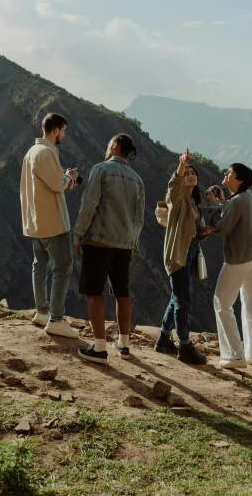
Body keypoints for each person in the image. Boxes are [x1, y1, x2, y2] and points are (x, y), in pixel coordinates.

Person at [74, 134, 145, 365]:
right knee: (122, 293)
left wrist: (79, 234)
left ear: (114, 146)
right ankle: (123, 345)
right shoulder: (137, 179)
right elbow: (139, 218)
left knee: (95, 292)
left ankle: (99, 347)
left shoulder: (101, 169)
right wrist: (133, 245)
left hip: (100, 241)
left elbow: (89, 204)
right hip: (124, 244)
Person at [20, 112, 80, 338]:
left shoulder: (31, 152)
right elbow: (57, 183)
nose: (63, 135)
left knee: (40, 265)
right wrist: (70, 178)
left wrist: (63, 178)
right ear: (55, 130)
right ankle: (56, 318)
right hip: (52, 222)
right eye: (63, 131)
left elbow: (45, 182)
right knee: (63, 268)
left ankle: (41, 311)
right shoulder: (47, 153)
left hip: (36, 220)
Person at [154, 149, 214, 365]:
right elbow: (174, 186)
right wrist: (182, 163)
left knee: (177, 297)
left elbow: (194, 233)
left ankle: (163, 338)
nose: (191, 174)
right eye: (187, 172)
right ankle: (185, 345)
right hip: (178, 254)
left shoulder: (193, 203)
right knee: (183, 301)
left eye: (193, 172)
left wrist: (203, 232)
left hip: (189, 252)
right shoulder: (178, 199)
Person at [206, 164, 252, 371]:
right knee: (251, 303)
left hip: (238, 259)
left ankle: (234, 355)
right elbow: (234, 210)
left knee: (221, 303)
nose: (225, 174)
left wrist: (214, 205)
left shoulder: (239, 200)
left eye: (230, 172)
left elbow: (222, 228)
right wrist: (224, 202)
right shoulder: (247, 197)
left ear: (239, 180)